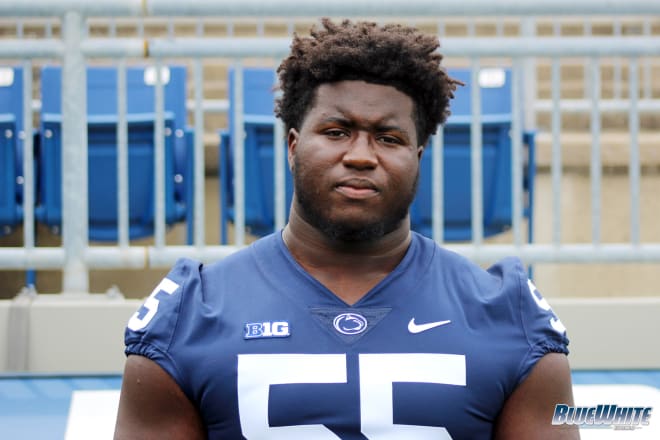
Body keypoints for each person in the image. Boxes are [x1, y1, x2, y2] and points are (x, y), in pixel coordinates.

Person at [114, 18, 578, 439]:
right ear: (293, 146)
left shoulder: (506, 313)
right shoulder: (191, 313)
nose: (360, 155)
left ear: (417, 159)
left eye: (388, 138)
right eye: (336, 131)